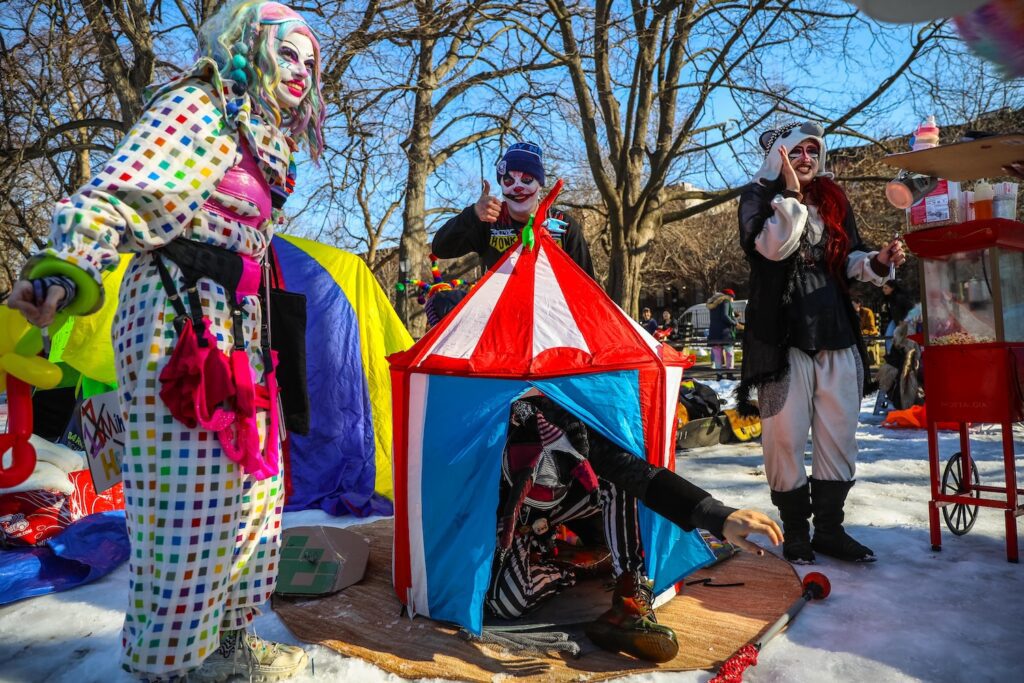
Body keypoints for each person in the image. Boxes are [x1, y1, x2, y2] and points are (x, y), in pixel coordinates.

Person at [6, 2, 325, 680]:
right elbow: (117, 194)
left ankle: (229, 646)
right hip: (178, 317)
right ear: (248, 47)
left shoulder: (261, 136)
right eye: (287, 53)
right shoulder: (200, 105)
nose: (300, 70)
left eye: (309, 60)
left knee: (254, 496)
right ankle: (170, 665)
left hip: (241, 324)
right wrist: (63, 271)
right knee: (187, 504)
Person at [488, 393, 782, 663]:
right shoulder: (484, 443)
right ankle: (574, 564)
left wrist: (718, 516)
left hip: (573, 507)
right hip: (505, 518)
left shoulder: (571, 430)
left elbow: (639, 474)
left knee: (621, 482)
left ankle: (628, 595)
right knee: (506, 604)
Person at [736, 121, 905, 565]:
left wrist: (877, 261)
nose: (806, 158)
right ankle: (796, 531)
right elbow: (773, 249)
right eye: (796, 151)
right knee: (783, 438)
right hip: (781, 337)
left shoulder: (834, 199)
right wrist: (790, 196)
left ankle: (830, 529)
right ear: (778, 157)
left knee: (838, 435)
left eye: (813, 150)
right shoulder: (758, 197)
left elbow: (847, 258)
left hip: (834, 329)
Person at [432, 142, 595, 277]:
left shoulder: (563, 224)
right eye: (509, 181)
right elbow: (441, 249)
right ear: (501, 186)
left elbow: (587, 284)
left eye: (527, 179)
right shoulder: (489, 222)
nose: (517, 188)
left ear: (539, 184)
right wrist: (473, 213)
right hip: (500, 306)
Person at [707, 288, 739, 372]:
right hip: (725, 333)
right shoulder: (725, 301)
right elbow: (725, 316)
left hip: (714, 333)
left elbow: (717, 316)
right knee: (729, 354)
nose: (733, 300)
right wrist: (735, 323)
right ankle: (729, 373)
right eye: (732, 297)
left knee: (717, 356)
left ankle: (719, 374)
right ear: (729, 296)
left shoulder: (713, 303)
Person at [880, 279, 913, 353]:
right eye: (883, 288)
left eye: (886, 288)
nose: (883, 290)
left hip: (904, 322)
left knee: (905, 340)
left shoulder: (899, 298)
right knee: (888, 336)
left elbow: (911, 308)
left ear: (892, 288)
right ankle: (890, 354)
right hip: (895, 321)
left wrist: (905, 320)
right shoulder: (889, 299)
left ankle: (906, 355)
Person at [853, 297, 882, 366]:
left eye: (853, 304)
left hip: (869, 334)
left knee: (861, 341)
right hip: (857, 335)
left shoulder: (867, 312)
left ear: (858, 304)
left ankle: (864, 361)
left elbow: (872, 329)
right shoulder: (852, 313)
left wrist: (862, 332)